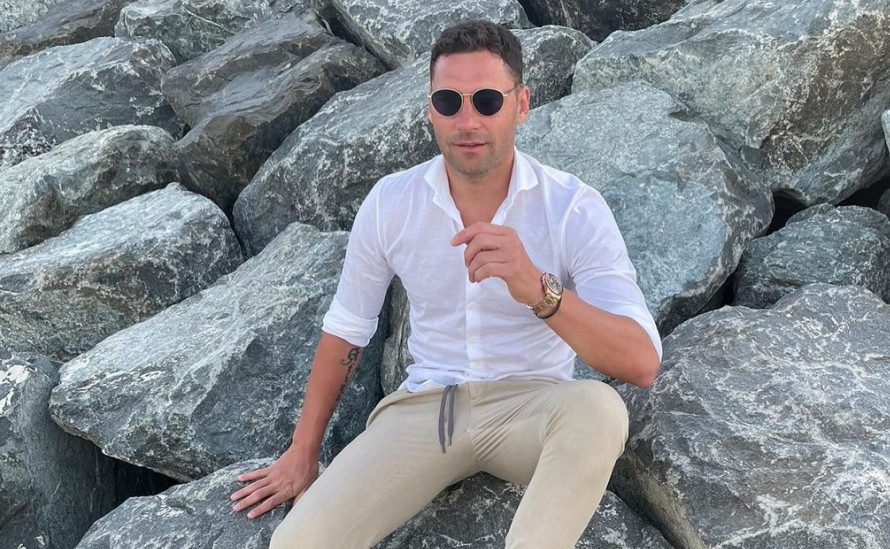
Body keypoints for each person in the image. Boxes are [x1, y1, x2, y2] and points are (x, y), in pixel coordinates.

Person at [229, 20, 663, 549]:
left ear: (522, 104)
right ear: (430, 110)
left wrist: (538, 290)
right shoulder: (392, 202)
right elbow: (348, 328)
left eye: (487, 101)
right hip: (429, 412)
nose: (468, 121)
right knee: (297, 542)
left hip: (532, 409)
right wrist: (303, 451)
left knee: (600, 409)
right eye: (449, 102)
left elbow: (640, 361)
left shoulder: (572, 207)